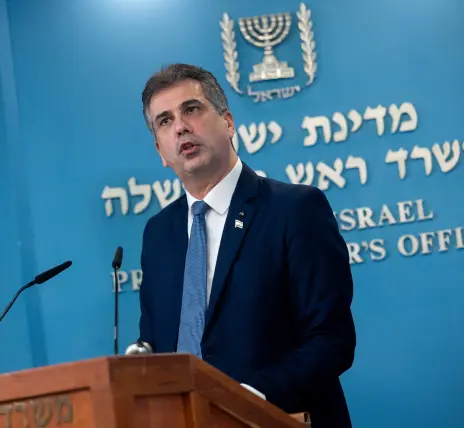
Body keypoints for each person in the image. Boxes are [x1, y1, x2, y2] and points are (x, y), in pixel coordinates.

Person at [136, 63, 356, 428]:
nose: (180, 127)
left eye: (192, 109)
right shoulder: (158, 233)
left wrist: (243, 401)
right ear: (161, 150)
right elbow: (155, 347)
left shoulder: (295, 209)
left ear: (228, 122)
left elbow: (331, 340)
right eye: (165, 120)